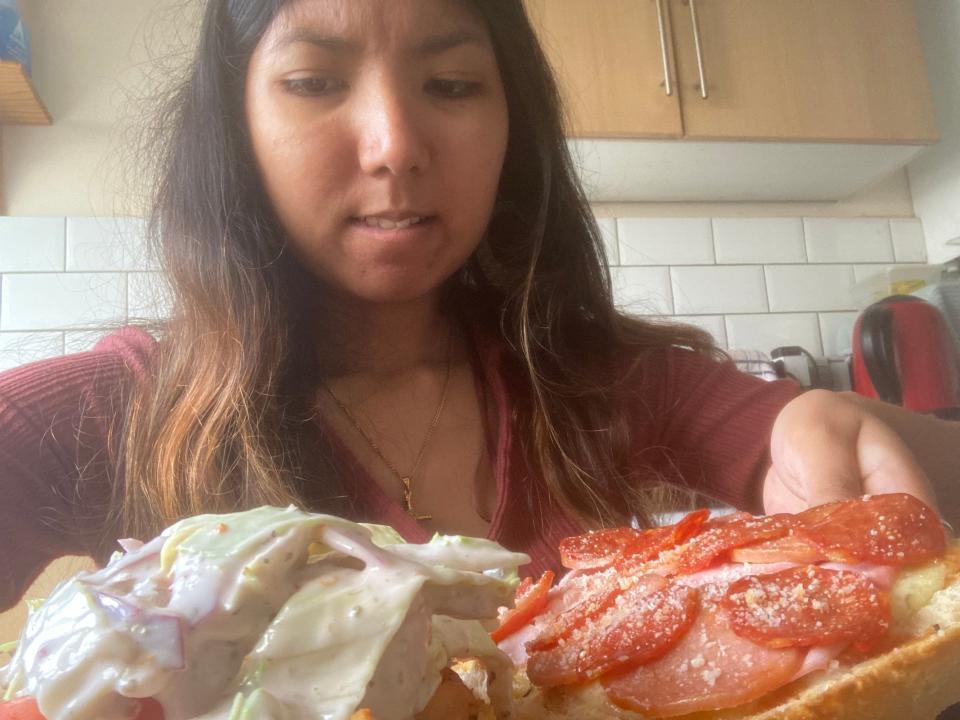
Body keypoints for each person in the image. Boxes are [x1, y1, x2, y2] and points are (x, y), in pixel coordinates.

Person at [1, 0, 958, 612]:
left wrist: (833, 422)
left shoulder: (589, 382)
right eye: (314, 81)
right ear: (237, 127)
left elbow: (820, 441)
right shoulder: (113, 415)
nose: (394, 144)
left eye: (452, 84)